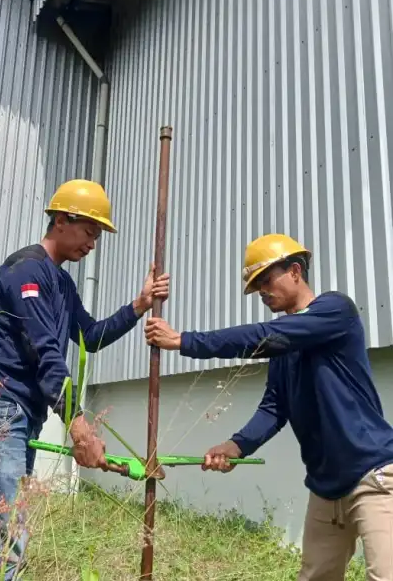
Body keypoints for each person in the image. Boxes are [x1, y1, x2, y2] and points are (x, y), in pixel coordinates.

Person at [144, 233, 393, 581]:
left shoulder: (335, 310)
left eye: (265, 279)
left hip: (373, 475)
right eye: (255, 284)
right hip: (325, 486)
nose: (261, 290)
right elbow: (274, 408)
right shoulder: (283, 346)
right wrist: (236, 445)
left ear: (294, 270)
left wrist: (185, 341)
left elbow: (264, 336)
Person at [0, 179, 170, 580]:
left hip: (22, 415)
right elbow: (45, 353)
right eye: (90, 231)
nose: (93, 243)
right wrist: (80, 428)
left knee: (4, 532)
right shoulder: (26, 270)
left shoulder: (62, 282)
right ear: (61, 220)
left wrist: (140, 305)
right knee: (2, 539)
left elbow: (91, 336)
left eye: (97, 235)